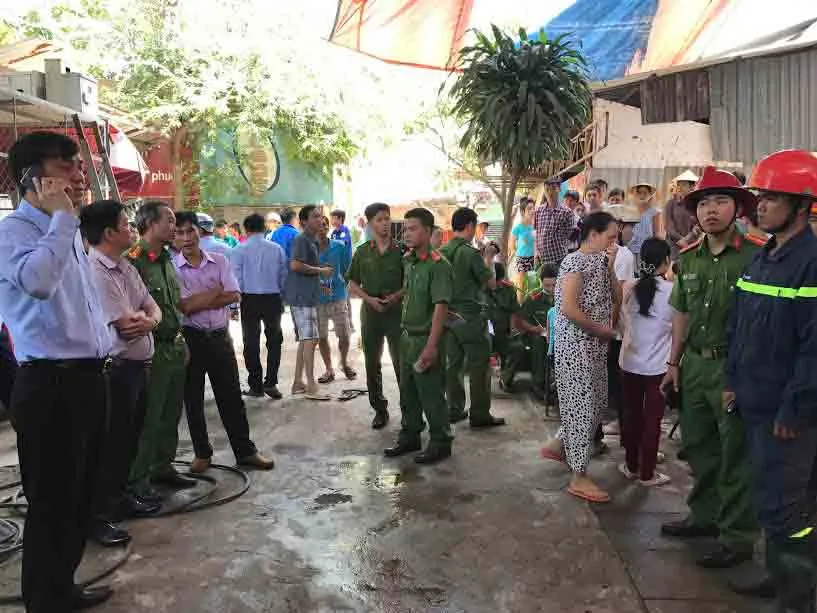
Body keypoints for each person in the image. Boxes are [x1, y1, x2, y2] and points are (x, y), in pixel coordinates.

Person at [0, 131, 114, 611]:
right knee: (52, 502)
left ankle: (61, 587)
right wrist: (64, 219)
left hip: (88, 378)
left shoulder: (65, 230)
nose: (79, 174)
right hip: (49, 384)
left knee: (83, 495)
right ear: (32, 177)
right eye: (66, 165)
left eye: (78, 164)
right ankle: (45, 600)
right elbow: (39, 284)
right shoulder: (15, 232)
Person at [726, 150, 817, 610]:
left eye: (772, 198)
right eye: (760, 196)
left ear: (802, 205)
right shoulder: (763, 258)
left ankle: (798, 595)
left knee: (787, 508)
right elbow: (740, 325)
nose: (759, 205)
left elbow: (814, 349)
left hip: (788, 414)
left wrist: (795, 410)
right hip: (756, 400)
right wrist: (732, 381)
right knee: (768, 498)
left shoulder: (811, 263)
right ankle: (779, 575)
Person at [660, 166, 762, 569]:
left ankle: (737, 537)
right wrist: (673, 363)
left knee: (735, 453)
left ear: (738, 208)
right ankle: (704, 516)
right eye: (703, 203)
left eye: (721, 201)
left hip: (735, 369)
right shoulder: (689, 258)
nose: (711, 210)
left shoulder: (756, 255)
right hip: (695, 367)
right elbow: (681, 312)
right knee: (699, 447)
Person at [81, 200, 163, 548]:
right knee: (110, 445)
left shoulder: (125, 266)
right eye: (125, 224)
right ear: (109, 233)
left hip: (137, 367)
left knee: (128, 440)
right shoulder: (95, 270)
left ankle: (119, 499)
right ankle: (98, 515)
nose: (131, 229)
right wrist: (145, 320)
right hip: (115, 371)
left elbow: (152, 309)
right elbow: (125, 325)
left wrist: (149, 321)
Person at [173, 212, 275, 473]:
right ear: (174, 238)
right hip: (191, 339)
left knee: (231, 398)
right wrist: (217, 291)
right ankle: (202, 454)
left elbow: (234, 295)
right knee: (192, 399)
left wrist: (201, 299)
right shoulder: (172, 268)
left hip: (220, 337)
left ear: (200, 231)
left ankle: (245, 452)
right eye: (180, 233)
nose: (186, 237)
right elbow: (185, 307)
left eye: (190, 231)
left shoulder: (219, 260)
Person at [540, 211, 620, 503]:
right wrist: (602, 330)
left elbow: (617, 296)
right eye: (610, 237)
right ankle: (579, 474)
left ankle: (561, 444)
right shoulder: (574, 261)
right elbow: (569, 308)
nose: (614, 243)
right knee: (582, 408)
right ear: (593, 235)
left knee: (596, 403)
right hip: (576, 348)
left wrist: (610, 266)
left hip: (595, 347)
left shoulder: (600, 261)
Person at [128, 201, 198, 501]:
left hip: (174, 345)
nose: (175, 227)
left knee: (171, 413)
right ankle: (138, 479)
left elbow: (173, 306)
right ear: (150, 224)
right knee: (149, 417)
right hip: (151, 350)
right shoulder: (133, 261)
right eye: (168, 221)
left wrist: (182, 341)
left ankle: (162, 466)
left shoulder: (168, 258)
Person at [384, 207, 454, 464]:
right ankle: (410, 435)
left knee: (431, 393)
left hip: (426, 337)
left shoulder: (438, 265)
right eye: (405, 229)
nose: (407, 233)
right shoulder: (409, 261)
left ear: (428, 230)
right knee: (408, 392)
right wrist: (394, 298)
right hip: (406, 336)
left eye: (412, 229)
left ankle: (441, 441)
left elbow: (441, 307)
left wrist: (432, 346)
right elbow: (409, 290)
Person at [440, 207, 505, 428]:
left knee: (453, 364)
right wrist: (489, 257)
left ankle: (454, 409)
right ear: (469, 226)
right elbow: (491, 283)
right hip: (470, 317)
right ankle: (479, 414)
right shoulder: (470, 253)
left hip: (447, 316)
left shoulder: (441, 251)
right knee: (479, 365)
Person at [617, 238, 673, 487]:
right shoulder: (672, 291)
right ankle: (647, 473)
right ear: (666, 261)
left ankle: (631, 465)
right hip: (658, 368)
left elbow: (621, 322)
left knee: (632, 415)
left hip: (629, 363)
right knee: (652, 420)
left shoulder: (629, 287)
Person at [346, 202, 404, 429]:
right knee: (372, 362)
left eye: (387, 218)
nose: (385, 223)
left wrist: (395, 297)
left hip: (396, 312)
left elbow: (411, 282)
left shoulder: (401, 251)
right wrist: (369, 299)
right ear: (370, 224)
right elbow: (352, 283)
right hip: (371, 313)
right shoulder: (362, 252)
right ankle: (379, 409)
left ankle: (409, 409)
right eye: (379, 220)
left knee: (402, 362)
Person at [231, 213, 287, 399]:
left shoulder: (239, 249)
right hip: (272, 298)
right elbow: (283, 275)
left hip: (249, 299)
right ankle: (271, 383)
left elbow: (236, 279)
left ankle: (256, 386)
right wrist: (280, 294)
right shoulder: (276, 249)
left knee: (251, 342)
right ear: (264, 228)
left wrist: (235, 303)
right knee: (274, 341)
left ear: (246, 229)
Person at [286, 205, 333, 400]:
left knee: (306, 340)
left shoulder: (311, 240)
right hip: (301, 298)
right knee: (311, 340)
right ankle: (311, 385)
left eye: (321, 216)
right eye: (315, 217)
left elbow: (306, 268)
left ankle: (298, 382)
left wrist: (320, 281)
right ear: (304, 221)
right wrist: (321, 271)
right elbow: (295, 265)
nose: (320, 220)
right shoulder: (301, 239)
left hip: (307, 296)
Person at [601, 204, 638, 435]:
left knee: (614, 376)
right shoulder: (622, 254)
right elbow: (618, 297)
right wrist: (610, 330)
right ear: (619, 227)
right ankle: (619, 421)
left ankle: (618, 421)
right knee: (615, 376)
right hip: (612, 328)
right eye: (630, 226)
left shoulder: (618, 254)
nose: (632, 231)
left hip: (609, 327)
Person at [500, 264, 555, 399]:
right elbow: (520, 320)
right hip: (534, 335)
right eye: (547, 285)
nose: (551, 289)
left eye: (554, 285)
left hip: (557, 336)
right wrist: (534, 329)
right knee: (539, 342)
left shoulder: (565, 297)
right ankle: (538, 383)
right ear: (541, 282)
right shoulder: (533, 297)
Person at [317, 215, 355, 383]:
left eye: (325, 225)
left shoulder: (339, 246)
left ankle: (344, 363)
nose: (322, 228)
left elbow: (348, 270)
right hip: (318, 300)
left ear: (328, 228)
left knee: (345, 335)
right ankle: (329, 369)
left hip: (338, 297)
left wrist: (343, 284)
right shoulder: (309, 249)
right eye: (319, 225)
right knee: (322, 337)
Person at [534, 178, 575, 269]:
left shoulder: (567, 213)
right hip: (541, 260)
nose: (550, 192)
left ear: (559, 189)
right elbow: (537, 233)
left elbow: (569, 236)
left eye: (553, 188)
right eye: (547, 189)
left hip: (559, 260)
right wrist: (536, 253)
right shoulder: (538, 211)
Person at [664, 170, 700, 259]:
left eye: (683, 184)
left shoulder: (697, 204)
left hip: (692, 245)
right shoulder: (671, 203)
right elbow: (669, 227)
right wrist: (681, 240)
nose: (680, 187)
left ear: (692, 187)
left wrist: (687, 239)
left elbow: (699, 226)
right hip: (673, 246)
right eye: (679, 184)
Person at [628, 182, 663, 263]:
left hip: (647, 251)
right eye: (639, 192)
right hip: (631, 249)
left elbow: (657, 234)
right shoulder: (630, 212)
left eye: (645, 193)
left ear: (650, 195)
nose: (642, 195)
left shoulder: (655, 212)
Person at [510, 199, 536, 301]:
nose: (532, 211)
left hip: (533, 258)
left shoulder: (534, 226)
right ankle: (519, 305)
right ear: (522, 211)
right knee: (521, 284)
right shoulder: (518, 227)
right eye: (529, 209)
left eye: (533, 208)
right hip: (522, 258)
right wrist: (515, 253)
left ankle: (529, 305)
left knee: (532, 283)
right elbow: (511, 243)